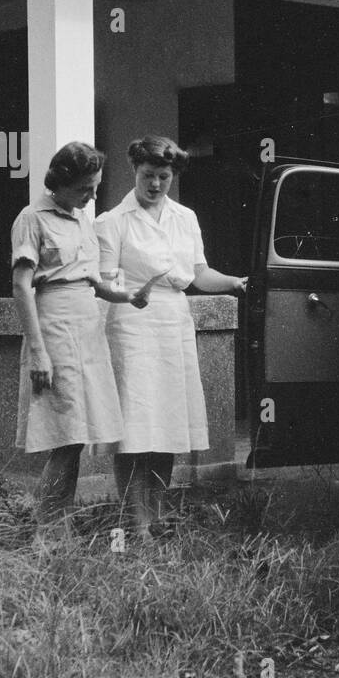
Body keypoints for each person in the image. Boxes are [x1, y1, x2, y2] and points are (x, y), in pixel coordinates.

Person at [95, 135, 247, 536]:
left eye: (164, 176)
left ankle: (157, 517)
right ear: (135, 171)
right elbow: (103, 282)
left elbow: (198, 273)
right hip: (130, 323)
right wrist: (128, 295)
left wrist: (235, 281)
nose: (156, 185)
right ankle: (133, 524)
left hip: (173, 323)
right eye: (148, 175)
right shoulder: (112, 222)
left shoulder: (186, 217)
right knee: (135, 428)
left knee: (165, 424)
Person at [11, 141, 150, 543]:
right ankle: (47, 533)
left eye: (95, 188)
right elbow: (21, 287)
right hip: (54, 329)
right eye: (85, 189)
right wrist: (37, 349)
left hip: (88, 330)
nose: (92, 197)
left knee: (78, 436)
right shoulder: (32, 217)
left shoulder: (81, 219)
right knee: (65, 438)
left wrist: (127, 296)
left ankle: (61, 528)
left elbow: (91, 281)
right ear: (61, 182)